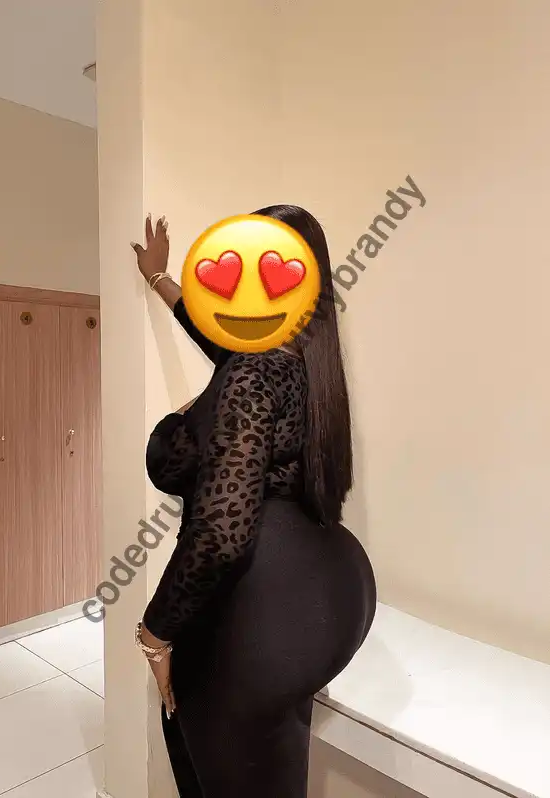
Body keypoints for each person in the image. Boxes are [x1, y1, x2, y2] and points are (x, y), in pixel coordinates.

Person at [131, 205, 376, 798]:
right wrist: (160, 280)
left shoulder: (250, 374)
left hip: (259, 614)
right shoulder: (303, 362)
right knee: (275, 771)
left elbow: (222, 533)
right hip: (329, 595)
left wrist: (155, 633)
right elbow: (211, 335)